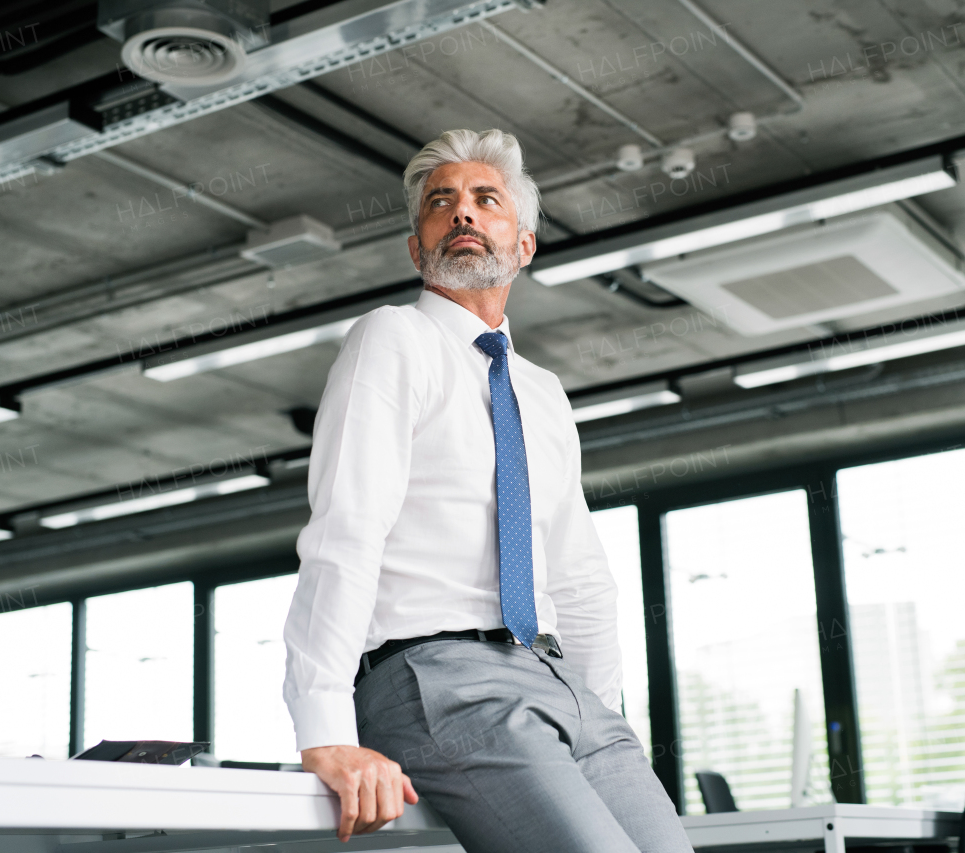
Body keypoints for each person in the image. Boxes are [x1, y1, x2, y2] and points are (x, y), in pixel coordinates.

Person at [282, 128, 694, 853]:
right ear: (418, 249)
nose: (462, 213)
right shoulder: (393, 339)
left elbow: (578, 571)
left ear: (525, 244)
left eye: (485, 199)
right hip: (438, 675)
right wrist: (325, 731)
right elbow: (347, 530)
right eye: (441, 203)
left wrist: (600, 712)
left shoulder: (541, 391)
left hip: (561, 681)